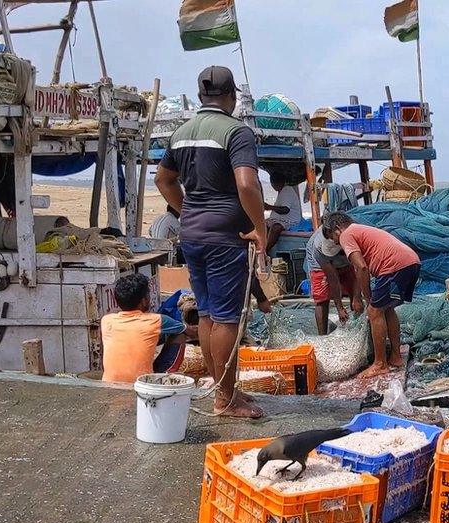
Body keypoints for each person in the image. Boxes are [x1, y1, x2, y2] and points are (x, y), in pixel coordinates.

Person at [154, 65, 267, 418]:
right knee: (228, 318)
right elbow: (247, 185)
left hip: (192, 235)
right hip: (224, 238)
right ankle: (225, 399)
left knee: (207, 315)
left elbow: (163, 180)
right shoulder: (237, 132)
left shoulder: (181, 132)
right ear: (232, 96)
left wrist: (187, 210)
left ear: (201, 95)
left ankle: (225, 390)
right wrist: (260, 228)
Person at [323, 212, 420, 378]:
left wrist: (367, 299)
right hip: (411, 262)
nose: (335, 242)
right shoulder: (360, 230)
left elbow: (361, 268)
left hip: (394, 265)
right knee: (386, 309)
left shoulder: (347, 235)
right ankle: (395, 356)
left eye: (332, 237)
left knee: (375, 311)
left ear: (337, 229)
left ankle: (380, 364)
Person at [101, 273, 196, 383]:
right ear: (144, 300)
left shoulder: (106, 321)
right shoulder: (157, 320)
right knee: (180, 334)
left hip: (108, 382)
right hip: (143, 383)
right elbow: (191, 332)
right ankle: (166, 374)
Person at [305, 219, 363, 335]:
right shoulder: (319, 249)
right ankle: (322, 337)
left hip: (346, 259)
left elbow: (359, 270)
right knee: (322, 300)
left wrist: (357, 297)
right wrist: (339, 308)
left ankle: (357, 331)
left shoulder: (354, 236)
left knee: (355, 297)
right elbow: (333, 279)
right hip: (320, 264)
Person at [264, 176, 302, 251]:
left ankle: (266, 250)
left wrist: (269, 207)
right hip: (280, 219)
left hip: (289, 221)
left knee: (276, 228)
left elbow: (285, 210)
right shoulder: (283, 191)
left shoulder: (287, 190)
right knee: (262, 224)